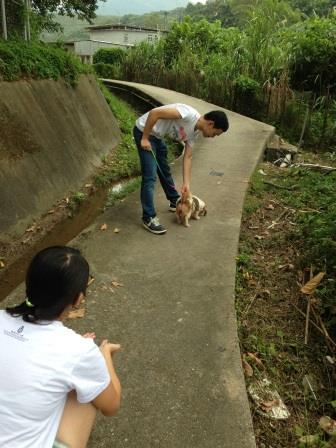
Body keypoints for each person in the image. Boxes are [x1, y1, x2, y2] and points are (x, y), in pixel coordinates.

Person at [0, 246, 121, 448]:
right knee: (86, 388)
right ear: (78, 299)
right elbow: (111, 406)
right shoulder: (78, 351)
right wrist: (102, 355)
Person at [133, 103, 229, 235]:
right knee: (150, 175)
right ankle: (148, 217)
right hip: (144, 131)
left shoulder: (194, 134)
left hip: (157, 137)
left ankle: (174, 200)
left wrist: (186, 184)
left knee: (164, 170)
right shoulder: (187, 114)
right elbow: (154, 113)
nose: (213, 137)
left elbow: (188, 157)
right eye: (215, 133)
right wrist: (144, 138)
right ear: (211, 124)